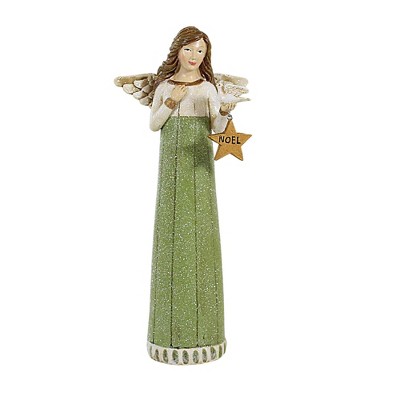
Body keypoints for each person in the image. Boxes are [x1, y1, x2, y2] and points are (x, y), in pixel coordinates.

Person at [146, 26, 235, 365]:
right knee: (172, 233)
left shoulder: (209, 88)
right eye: (189, 49)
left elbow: (217, 129)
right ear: (177, 51)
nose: (194, 56)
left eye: (200, 51)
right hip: (172, 166)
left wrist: (224, 111)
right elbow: (155, 124)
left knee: (201, 232)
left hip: (199, 165)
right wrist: (171, 101)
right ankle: (168, 337)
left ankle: (206, 338)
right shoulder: (164, 86)